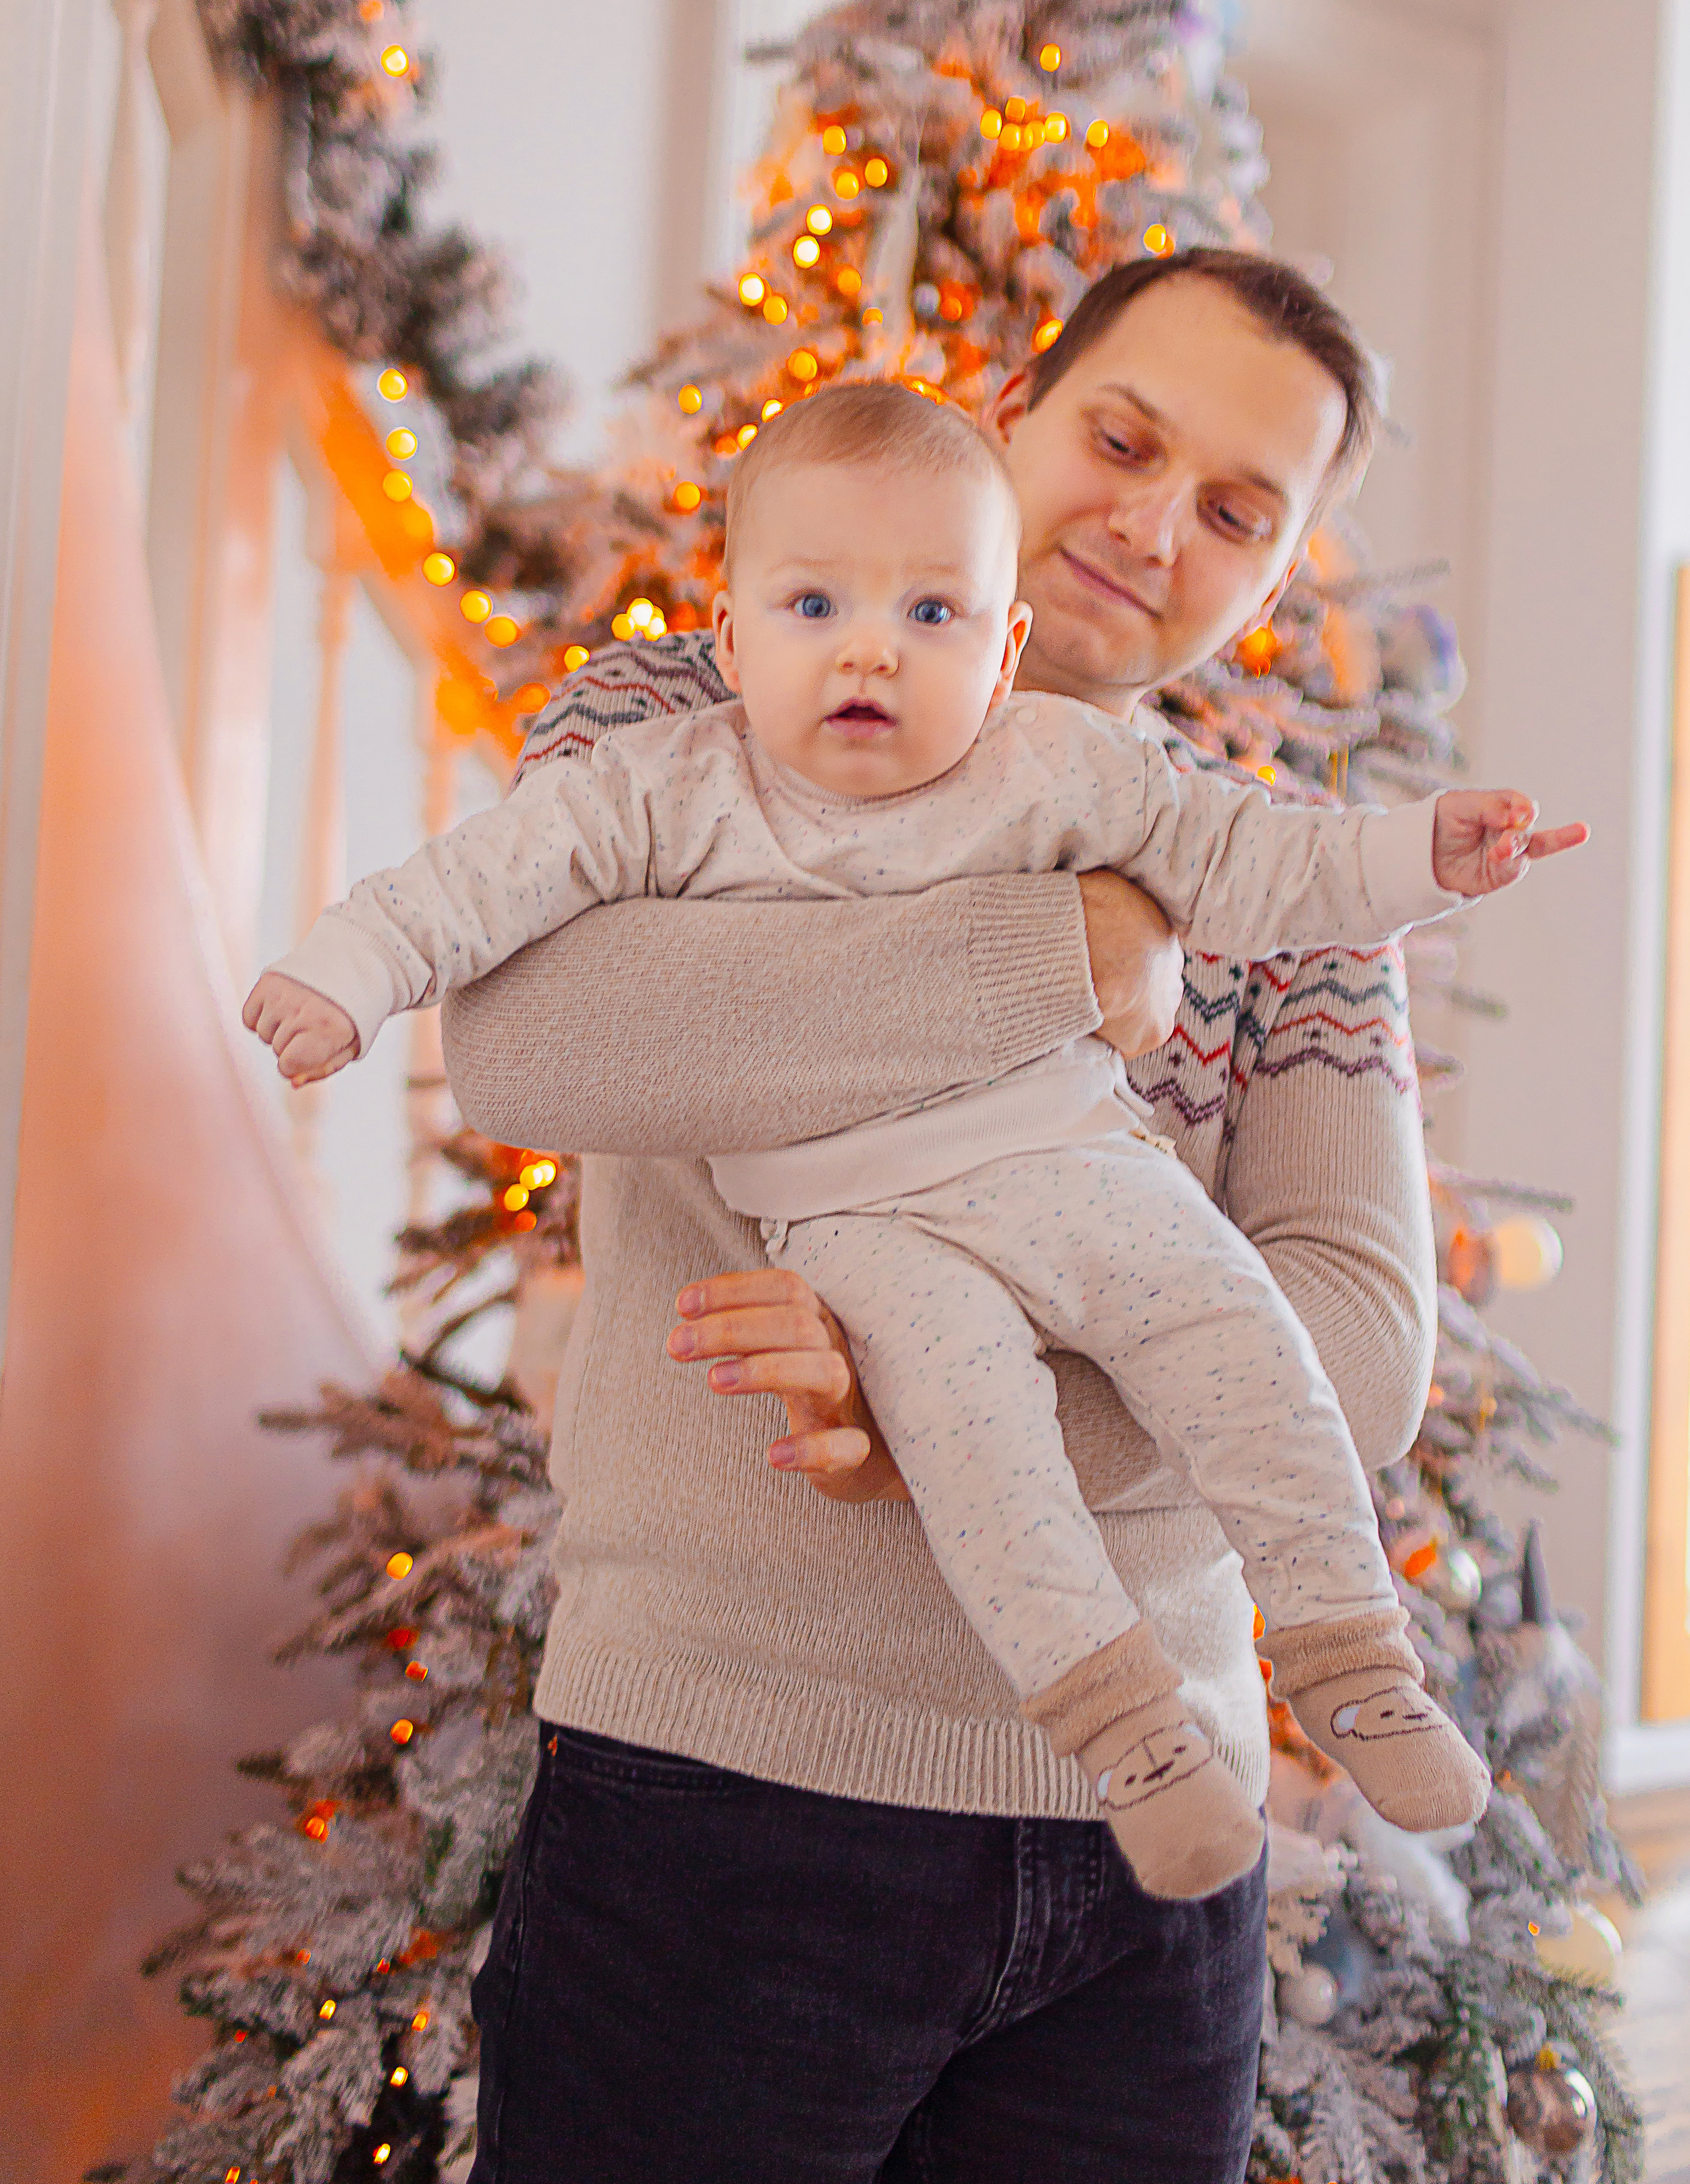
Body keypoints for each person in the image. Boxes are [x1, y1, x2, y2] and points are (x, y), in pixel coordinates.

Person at [392, 252, 1534, 2179]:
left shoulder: (1267, 869)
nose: (1153, 522)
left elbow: (1355, 1346)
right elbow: (529, 1041)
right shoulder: (689, 718)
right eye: (1122, 437)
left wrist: (930, 1407)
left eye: (1239, 511)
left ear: (1277, 575)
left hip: (1150, 1882)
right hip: (726, 1799)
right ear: (1020, 409)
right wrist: (1051, 955)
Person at [246, 380, 1579, 1907]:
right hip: (858, 1243)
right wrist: (342, 980)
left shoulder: (1057, 767)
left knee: (1230, 1329)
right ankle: (1126, 1729)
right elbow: (478, 917)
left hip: (1076, 1170)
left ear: (1001, 649)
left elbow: (1261, 867)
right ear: (737, 639)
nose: (870, 645)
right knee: (972, 1439)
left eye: (932, 611)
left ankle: (1351, 1656)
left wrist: (1427, 857)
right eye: (814, 604)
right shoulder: (664, 772)